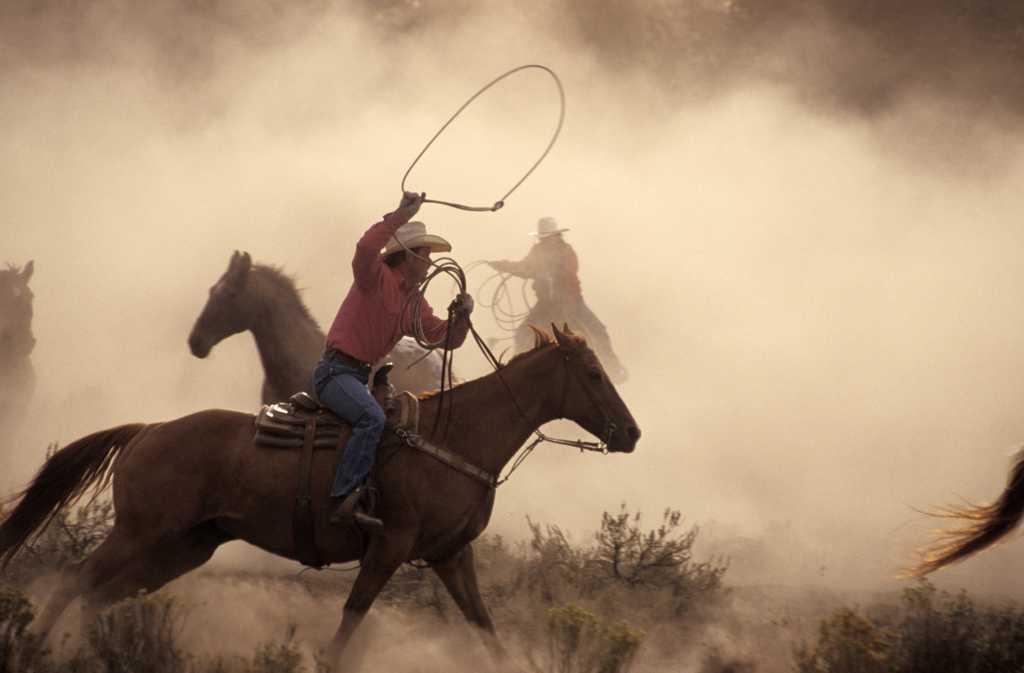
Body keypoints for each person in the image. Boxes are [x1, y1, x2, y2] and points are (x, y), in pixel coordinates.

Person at [314, 191, 474, 530]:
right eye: (426, 254)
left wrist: (461, 317)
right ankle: (344, 499)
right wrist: (398, 216)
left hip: (360, 378)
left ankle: (374, 495)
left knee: (400, 429)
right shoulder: (375, 278)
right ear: (410, 256)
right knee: (372, 419)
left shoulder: (414, 302)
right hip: (335, 372)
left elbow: (442, 338)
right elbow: (365, 249)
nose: (431, 262)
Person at [487, 217, 627, 382]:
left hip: (571, 302)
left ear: (555, 236)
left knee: (598, 331)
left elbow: (566, 272)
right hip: (546, 304)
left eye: (547, 237)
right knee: (522, 334)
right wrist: (503, 265)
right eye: (543, 238)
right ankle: (517, 376)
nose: (544, 240)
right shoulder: (538, 251)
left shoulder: (566, 252)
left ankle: (612, 369)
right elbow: (525, 268)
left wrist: (547, 273)